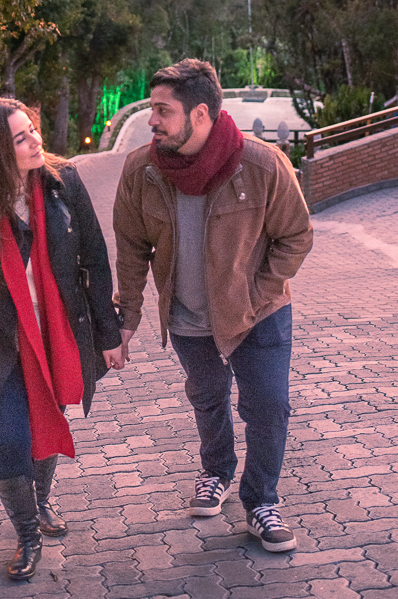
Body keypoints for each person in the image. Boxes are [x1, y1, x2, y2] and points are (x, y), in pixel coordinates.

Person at [113, 60, 312, 552]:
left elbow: (296, 236)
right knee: (207, 396)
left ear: (199, 114)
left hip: (258, 314)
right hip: (187, 316)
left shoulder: (261, 165)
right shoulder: (142, 171)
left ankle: (261, 501)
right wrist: (127, 318)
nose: (152, 120)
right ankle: (216, 472)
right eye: (153, 109)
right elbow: (132, 248)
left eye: (163, 110)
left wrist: (256, 293)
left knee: (268, 407)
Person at [0, 97, 125, 581]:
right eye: (21, 138)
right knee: (5, 439)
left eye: (33, 130)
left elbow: (94, 259)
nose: (35, 141)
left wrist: (108, 333)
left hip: (55, 335)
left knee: (47, 422)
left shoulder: (64, 183)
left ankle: (40, 502)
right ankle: (27, 534)